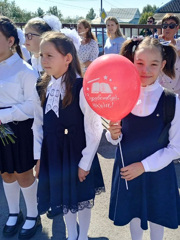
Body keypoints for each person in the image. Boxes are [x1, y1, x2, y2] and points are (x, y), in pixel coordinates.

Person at [106, 37, 180, 240]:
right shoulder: (120, 95)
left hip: (157, 171)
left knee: (157, 215)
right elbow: (115, 137)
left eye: (153, 64)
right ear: (132, 62)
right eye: (140, 63)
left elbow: (176, 148)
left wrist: (144, 166)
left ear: (163, 65)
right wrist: (112, 135)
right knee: (134, 214)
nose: (145, 70)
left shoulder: (171, 101)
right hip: (128, 170)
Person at [33, 31, 105, 240]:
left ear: (67, 58)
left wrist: (85, 162)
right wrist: (38, 158)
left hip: (76, 152)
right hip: (53, 152)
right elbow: (38, 125)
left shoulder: (81, 86)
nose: (43, 60)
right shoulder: (41, 86)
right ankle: (71, 235)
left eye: (49, 55)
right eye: (41, 55)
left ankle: (82, 236)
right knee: (64, 198)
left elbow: (94, 127)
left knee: (80, 198)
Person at [0, 16, 41, 239]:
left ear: (10, 41)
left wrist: (3, 115)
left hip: (20, 129)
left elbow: (32, 106)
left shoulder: (25, 70)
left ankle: (33, 215)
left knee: (23, 174)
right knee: (6, 173)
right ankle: (14, 212)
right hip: (0, 130)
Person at [158, 13, 180, 96]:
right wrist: (161, 42)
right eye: (165, 25)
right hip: (162, 90)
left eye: (171, 26)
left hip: (177, 89)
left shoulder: (179, 43)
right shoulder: (157, 44)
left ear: (177, 28)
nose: (167, 28)